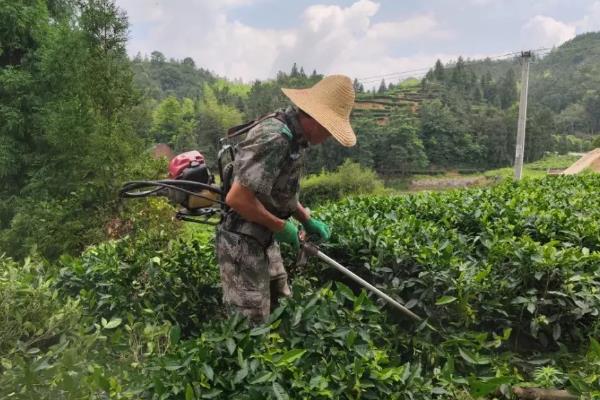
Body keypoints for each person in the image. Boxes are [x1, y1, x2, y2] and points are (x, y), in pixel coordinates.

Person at [216, 74, 356, 324]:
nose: (329, 137)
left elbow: (281, 191)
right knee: (250, 326)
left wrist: (305, 219)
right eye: (329, 129)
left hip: (265, 238)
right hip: (242, 242)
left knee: (282, 306)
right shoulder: (275, 137)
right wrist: (282, 227)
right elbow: (237, 198)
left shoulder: (295, 137)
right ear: (315, 118)